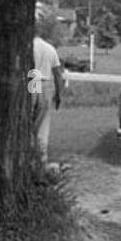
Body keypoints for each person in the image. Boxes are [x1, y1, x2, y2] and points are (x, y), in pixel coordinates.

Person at [30, 34, 68, 163]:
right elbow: (58, 74)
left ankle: (27, 153)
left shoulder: (29, 47)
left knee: (28, 119)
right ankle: (41, 157)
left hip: (32, 81)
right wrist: (58, 94)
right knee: (43, 122)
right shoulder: (50, 49)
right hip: (45, 84)